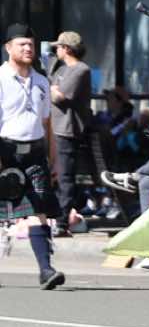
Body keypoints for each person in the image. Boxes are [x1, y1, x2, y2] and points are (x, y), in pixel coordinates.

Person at [1, 23, 64, 288]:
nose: (28, 48)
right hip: (5, 152)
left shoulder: (41, 81)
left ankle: (46, 270)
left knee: (40, 208)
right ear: (8, 48)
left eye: (31, 44)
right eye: (22, 44)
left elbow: (47, 124)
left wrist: (54, 159)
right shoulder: (0, 79)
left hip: (36, 154)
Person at [48, 31, 95, 234]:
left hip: (67, 129)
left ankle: (62, 222)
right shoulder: (61, 69)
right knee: (54, 175)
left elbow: (59, 97)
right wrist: (52, 88)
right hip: (54, 128)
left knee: (65, 176)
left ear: (66, 48)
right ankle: (55, 215)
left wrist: (50, 88)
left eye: (58, 47)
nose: (56, 51)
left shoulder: (81, 70)